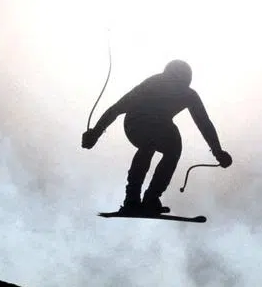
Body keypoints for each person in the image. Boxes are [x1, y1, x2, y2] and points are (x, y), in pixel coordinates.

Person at [82, 59, 232, 214]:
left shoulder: (187, 94)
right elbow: (118, 108)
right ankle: (133, 198)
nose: (174, 88)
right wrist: (95, 133)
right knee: (151, 143)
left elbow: (204, 123)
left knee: (172, 145)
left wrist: (218, 151)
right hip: (136, 123)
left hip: (159, 126)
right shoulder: (153, 85)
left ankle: (150, 197)